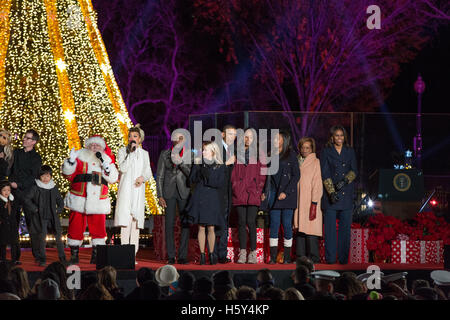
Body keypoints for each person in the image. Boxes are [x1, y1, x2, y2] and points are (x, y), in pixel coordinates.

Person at [62, 135, 118, 264]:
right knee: (75, 226)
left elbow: (113, 178)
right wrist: (70, 162)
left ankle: (96, 255)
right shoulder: (79, 156)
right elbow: (67, 174)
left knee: (98, 228)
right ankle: (74, 254)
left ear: (102, 148)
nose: (94, 147)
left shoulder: (106, 159)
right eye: (91, 145)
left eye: (97, 145)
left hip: (98, 198)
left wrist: (108, 169)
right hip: (79, 197)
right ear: (87, 146)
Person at [261, 130, 300, 264]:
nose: (275, 140)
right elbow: (267, 177)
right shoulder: (270, 155)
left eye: (278, 138)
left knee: (287, 225)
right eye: (274, 138)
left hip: (288, 196)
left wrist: (286, 192)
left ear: (285, 140)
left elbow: (296, 176)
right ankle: (272, 258)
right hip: (274, 196)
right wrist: (265, 192)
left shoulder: (291, 155)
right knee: (274, 225)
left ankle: (287, 258)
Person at [320, 125, 357, 264]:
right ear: (332, 137)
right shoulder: (326, 151)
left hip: (346, 194)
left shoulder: (350, 151)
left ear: (344, 137)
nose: (339, 138)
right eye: (337, 135)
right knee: (329, 231)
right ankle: (330, 259)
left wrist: (343, 182)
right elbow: (324, 172)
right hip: (331, 195)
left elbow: (354, 171)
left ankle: (343, 260)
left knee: (345, 231)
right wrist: (331, 192)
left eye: (341, 135)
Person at [114, 125, 152, 260]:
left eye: (135, 136)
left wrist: (143, 178)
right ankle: (125, 254)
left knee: (135, 224)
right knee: (125, 222)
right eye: (130, 136)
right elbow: (123, 168)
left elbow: (148, 171)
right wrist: (130, 153)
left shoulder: (144, 154)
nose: (132, 138)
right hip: (126, 190)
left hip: (137, 190)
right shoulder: (122, 151)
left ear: (140, 139)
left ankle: (133, 255)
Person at [156, 131, 192, 264]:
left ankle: (182, 256)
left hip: (184, 192)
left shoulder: (189, 154)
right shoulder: (165, 154)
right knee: (169, 224)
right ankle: (171, 256)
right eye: (176, 138)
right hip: (168, 192)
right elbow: (159, 176)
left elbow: (191, 174)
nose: (178, 141)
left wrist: (181, 162)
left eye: (181, 138)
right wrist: (160, 195)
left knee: (185, 224)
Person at [231, 128, 266, 264]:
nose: (247, 139)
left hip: (253, 193)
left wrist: (258, 189)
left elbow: (263, 173)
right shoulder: (237, 153)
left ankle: (253, 252)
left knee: (251, 222)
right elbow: (233, 174)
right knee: (241, 222)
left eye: (250, 137)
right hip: (239, 193)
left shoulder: (259, 154)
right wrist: (235, 186)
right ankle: (242, 252)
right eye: (245, 137)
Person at [187, 141, 225, 265]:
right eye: (203, 150)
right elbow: (191, 180)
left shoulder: (219, 165)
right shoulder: (198, 163)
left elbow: (219, 184)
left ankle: (212, 254)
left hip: (212, 198)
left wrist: (207, 176)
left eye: (205, 150)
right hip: (200, 197)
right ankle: (202, 255)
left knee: (211, 227)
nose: (203, 152)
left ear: (213, 151)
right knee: (201, 227)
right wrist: (198, 171)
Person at [9, 129, 42, 262]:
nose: (24, 139)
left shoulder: (36, 157)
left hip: (28, 194)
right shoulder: (16, 153)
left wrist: (19, 184)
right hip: (14, 193)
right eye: (24, 137)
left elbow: (34, 176)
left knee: (32, 225)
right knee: (13, 224)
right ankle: (14, 257)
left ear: (34, 142)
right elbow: (10, 168)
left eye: (28, 138)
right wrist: (11, 183)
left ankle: (38, 256)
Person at [22, 165, 66, 266]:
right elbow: (26, 199)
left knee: (58, 237)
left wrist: (58, 209)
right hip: (40, 217)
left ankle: (62, 258)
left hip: (53, 216)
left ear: (50, 176)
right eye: (43, 176)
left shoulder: (53, 187)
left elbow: (60, 201)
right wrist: (35, 209)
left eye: (47, 176)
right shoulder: (36, 187)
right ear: (39, 176)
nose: (45, 178)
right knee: (41, 238)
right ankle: (42, 259)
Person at [294, 137, 322, 263]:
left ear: (312, 149)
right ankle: (300, 257)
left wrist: (314, 201)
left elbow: (317, 182)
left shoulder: (316, 162)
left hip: (310, 200)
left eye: (308, 148)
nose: (305, 150)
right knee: (300, 229)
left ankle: (314, 258)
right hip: (298, 200)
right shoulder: (296, 161)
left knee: (311, 230)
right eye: (303, 147)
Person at [216, 125, 237, 264]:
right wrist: (226, 163)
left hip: (229, 192)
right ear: (223, 134)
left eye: (234, 135)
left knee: (225, 223)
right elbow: (212, 168)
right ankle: (212, 253)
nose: (232, 137)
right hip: (216, 192)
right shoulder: (215, 148)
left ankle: (222, 254)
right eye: (230, 134)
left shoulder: (234, 150)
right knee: (215, 223)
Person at [0, 181, 21, 265]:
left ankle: (14, 259)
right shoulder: (1, 201)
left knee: (14, 242)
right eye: (4, 190)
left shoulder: (13, 200)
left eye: (8, 190)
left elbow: (16, 212)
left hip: (12, 225)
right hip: (3, 225)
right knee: (2, 242)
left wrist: (16, 222)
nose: (6, 192)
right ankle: (2, 259)